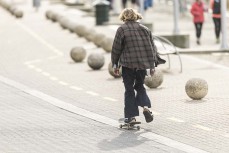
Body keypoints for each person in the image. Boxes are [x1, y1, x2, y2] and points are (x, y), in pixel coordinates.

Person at [111, 8, 166, 124]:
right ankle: (146, 107)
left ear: (124, 17)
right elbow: (152, 49)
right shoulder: (145, 29)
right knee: (140, 86)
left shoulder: (122, 29)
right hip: (142, 65)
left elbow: (116, 49)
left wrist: (115, 65)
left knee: (129, 90)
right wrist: (152, 66)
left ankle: (130, 117)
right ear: (136, 16)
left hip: (128, 64)